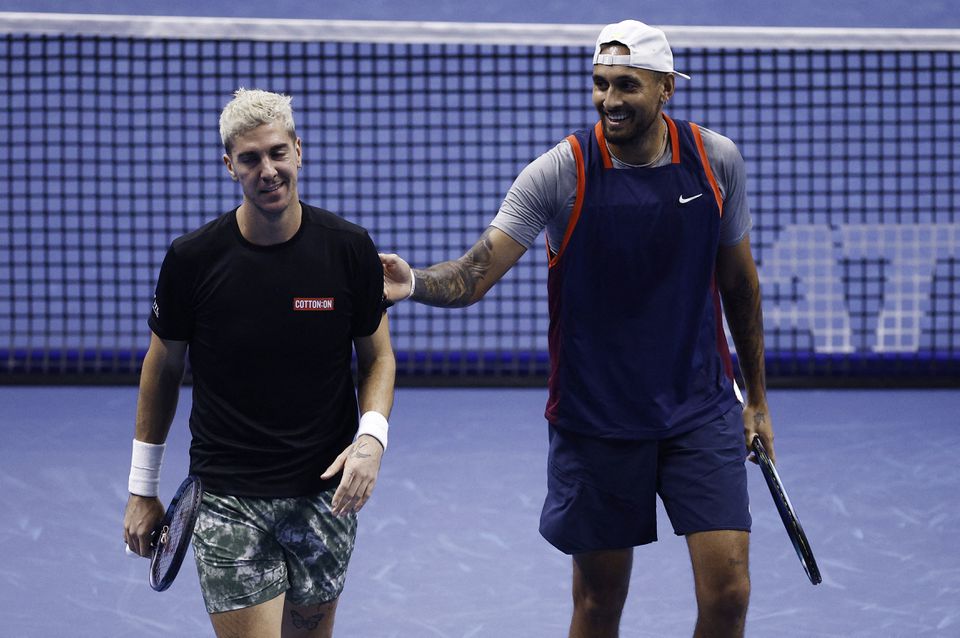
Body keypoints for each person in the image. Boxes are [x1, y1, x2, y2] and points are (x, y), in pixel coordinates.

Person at [381, 19, 773, 638]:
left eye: (626, 85)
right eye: (600, 84)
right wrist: (413, 283)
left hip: (699, 408)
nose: (609, 99)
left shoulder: (716, 161)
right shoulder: (558, 173)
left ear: (666, 88)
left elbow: (740, 286)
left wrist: (757, 401)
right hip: (597, 421)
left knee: (729, 596)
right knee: (598, 603)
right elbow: (475, 273)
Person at [123, 88, 396, 638]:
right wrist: (141, 486)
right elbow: (163, 368)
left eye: (277, 153)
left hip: (325, 496)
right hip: (228, 497)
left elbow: (378, 357)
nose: (267, 171)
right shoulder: (192, 260)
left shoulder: (349, 249)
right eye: (250, 158)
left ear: (299, 151)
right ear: (230, 166)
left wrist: (372, 439)